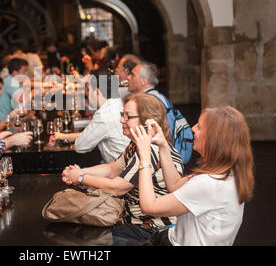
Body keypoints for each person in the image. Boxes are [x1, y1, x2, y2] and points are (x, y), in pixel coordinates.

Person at [62, 93, 183, 240]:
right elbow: (112, 169)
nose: (121, 120)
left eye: (128, 116)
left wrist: (80, 177)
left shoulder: (151, 148)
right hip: (133, 222)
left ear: (148, 120)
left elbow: (117, 187)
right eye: (122, 115)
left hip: (152, 230)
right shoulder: (137, 144)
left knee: (82, 237)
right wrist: (77, 172)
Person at [132, 106, 255, 246]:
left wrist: (145, 156)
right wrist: (163, 145)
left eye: (200, 127)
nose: (192, 128)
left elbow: (149, 206)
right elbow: (175, 185)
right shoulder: (228, 172)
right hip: (171, 237)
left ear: (215, 138)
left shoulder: (209, 183)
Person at [54, 68, 130, 163]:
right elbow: (92, 133)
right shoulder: (117, 103)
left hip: (121, 172)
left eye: (88, 89)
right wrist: (63, 136)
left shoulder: (104, 114)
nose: (86, 93)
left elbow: (80, 146)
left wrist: (64, 137)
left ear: (97, 92)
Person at [0, 57, 29, 123]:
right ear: (15, 73)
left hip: (7, 120)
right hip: (2, 122)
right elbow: (21, 99)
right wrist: (33, 92)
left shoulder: (10, 79)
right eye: (24, 71)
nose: (27, 74)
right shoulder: (11, 81)